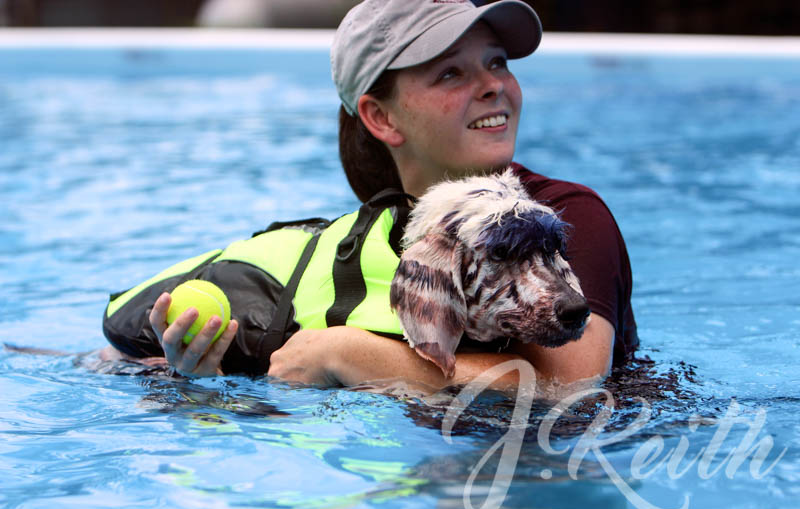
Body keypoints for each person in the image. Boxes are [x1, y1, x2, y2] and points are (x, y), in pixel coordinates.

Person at [101, 0, 638, 391]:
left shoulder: (568, 214)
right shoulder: (367, 248)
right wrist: (202, 374)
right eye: (451, 71)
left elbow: (570, 389)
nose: (493, 83)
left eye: (497, 62)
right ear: (381, 117)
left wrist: (351, 354)